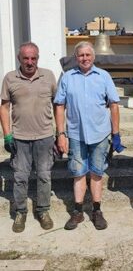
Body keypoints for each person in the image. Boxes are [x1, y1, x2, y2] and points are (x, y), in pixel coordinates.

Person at [54, 41, 124, 230]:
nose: (84, 58)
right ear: (75, 58)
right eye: (80, 55)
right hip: (76, 135)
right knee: (78, 173)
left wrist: (115, 133)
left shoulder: (103, 76)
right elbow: (59, 105)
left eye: (88, 55)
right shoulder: (67, 77)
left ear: (93, 57)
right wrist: (61, 133)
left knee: (97, 173)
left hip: (100, 134)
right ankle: (77, 212)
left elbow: (114, 105)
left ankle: (96, 210)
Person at [0, 42, 56, 233]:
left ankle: (43, 211)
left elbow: (58, 104)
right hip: (20, 138)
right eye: (26, 58)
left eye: (33, 58)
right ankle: (20, 212)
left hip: (45, 136)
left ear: (38, 58)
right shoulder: (10, 78)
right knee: (20, 177)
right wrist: (7, 135)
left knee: (44, 176)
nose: (30, 62)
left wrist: (61, 132)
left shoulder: (48, 76)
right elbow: (4, 107)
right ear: (19, 59)